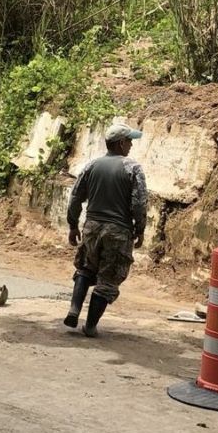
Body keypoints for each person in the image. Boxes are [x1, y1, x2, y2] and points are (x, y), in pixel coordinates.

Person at [64, 123, 148, 337]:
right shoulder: (133, 168)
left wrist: (73, 225)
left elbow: (75, 197)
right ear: (120, 143)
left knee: (85, 268)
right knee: (108, 278)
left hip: (91, 227)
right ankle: (90, 326)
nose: (130, 145)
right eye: (129, 141)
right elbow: (139, 203)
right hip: (118, 231)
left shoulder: (91, 166)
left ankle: (74, 309)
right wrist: (140, 229)